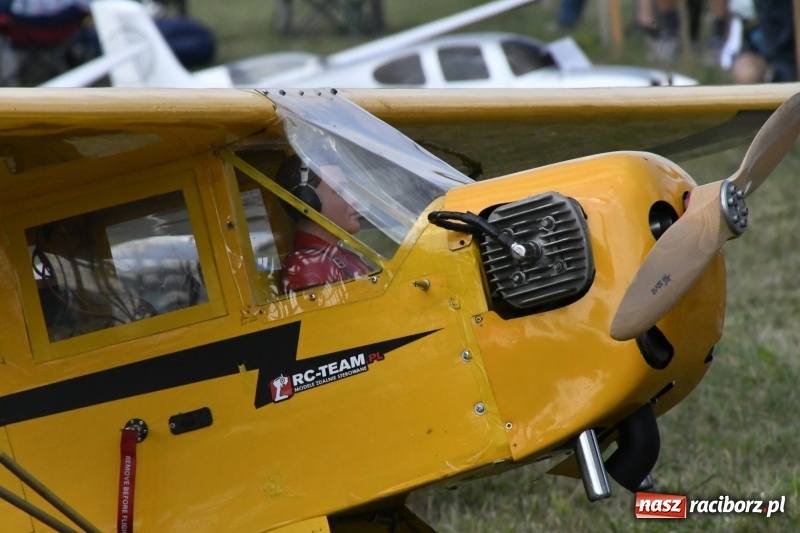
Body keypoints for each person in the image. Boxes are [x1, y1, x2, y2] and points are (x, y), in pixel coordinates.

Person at [276, 154, 373, 292]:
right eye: (339, 191)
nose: (353, 199)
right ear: (307, 200)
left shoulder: (342, 256)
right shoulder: (309, 263)